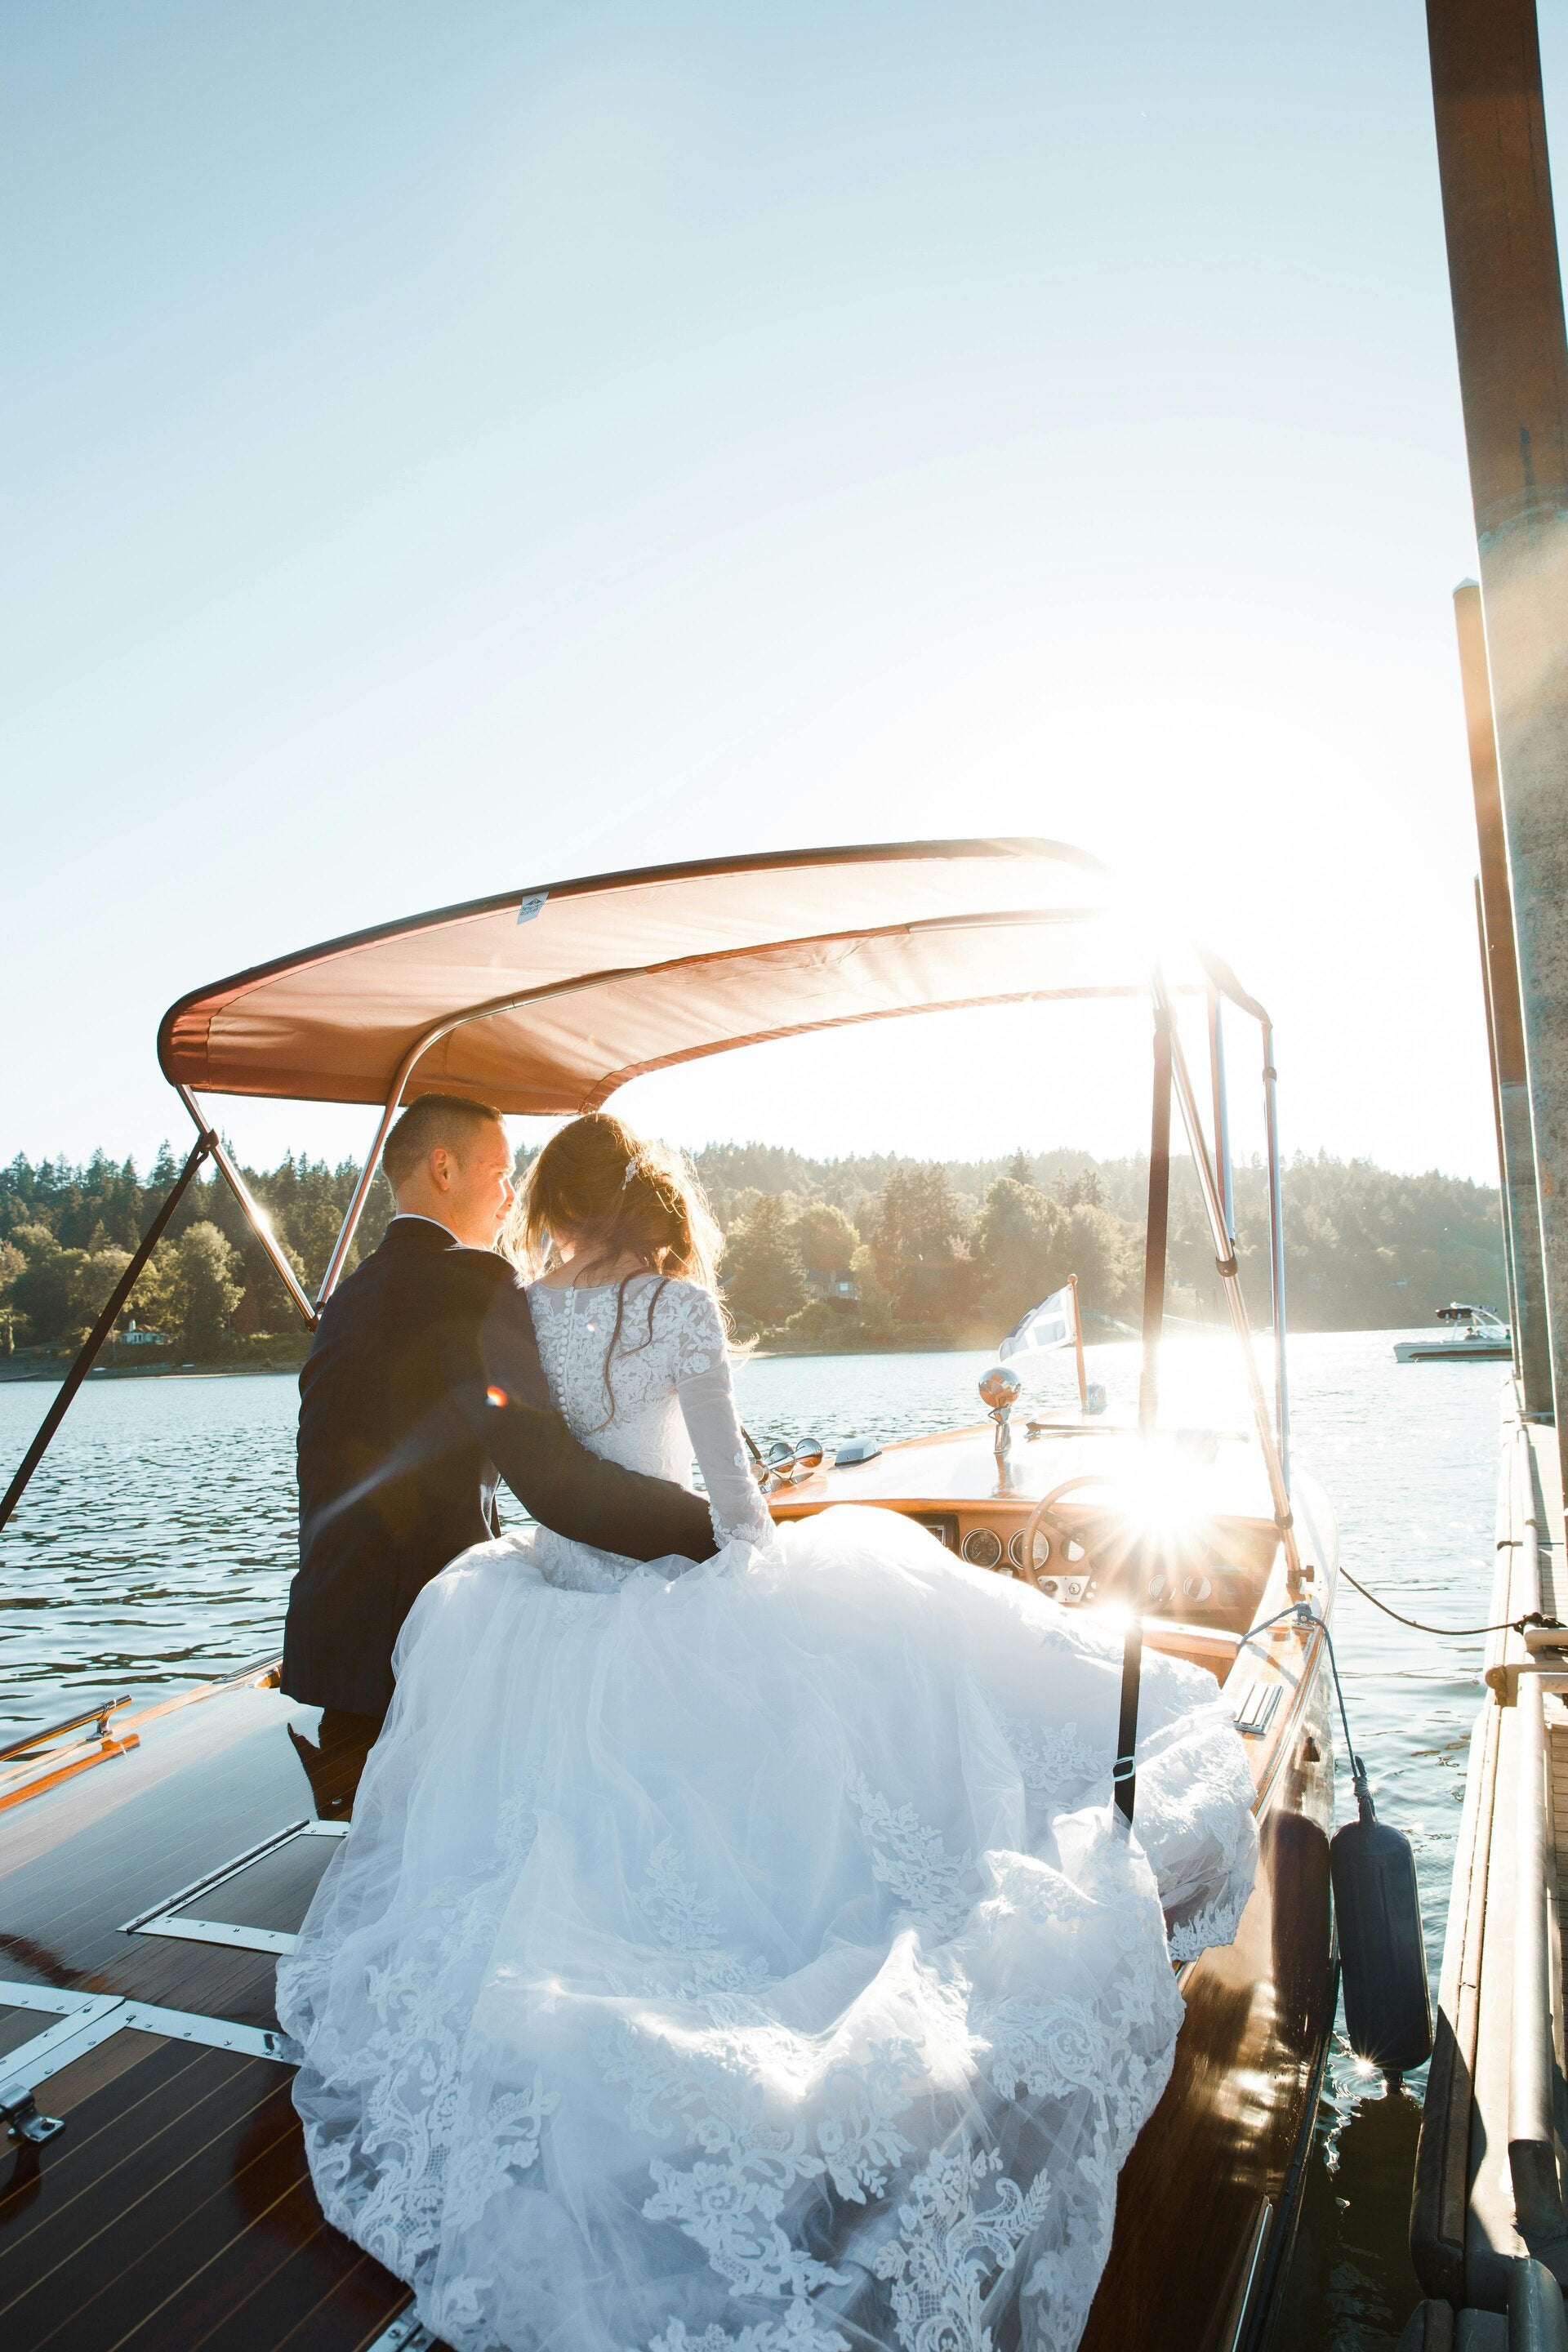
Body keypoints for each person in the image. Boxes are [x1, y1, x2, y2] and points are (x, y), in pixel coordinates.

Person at [278, 1113, 1258, 2352]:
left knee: (571, 1835)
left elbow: (541, 1476)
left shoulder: (512, 1308)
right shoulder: (669, 1308)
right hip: (665, 1569)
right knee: (844, 1711)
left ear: (557, 1210)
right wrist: (744, 1550)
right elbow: (733, 1499)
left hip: (545, 1600)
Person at [282, 1093, 715, 1735]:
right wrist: (713, 1532)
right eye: (501, 1174)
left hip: (327, 1650)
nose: (512, 1199)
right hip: (424, 1650)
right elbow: (555, 1484)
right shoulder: (475, 1281)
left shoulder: (350, 1294)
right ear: (444, 1169)